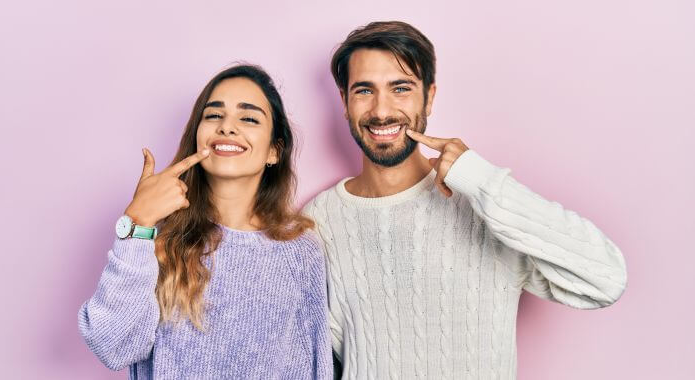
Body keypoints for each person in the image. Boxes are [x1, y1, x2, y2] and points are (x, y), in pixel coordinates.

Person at [302, 21, 628, 379]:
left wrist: (481, 180)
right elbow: (317, 353)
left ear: (429, 96)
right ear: (344, 102)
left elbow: (605, 279)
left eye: (401, 88)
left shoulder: (482, 199)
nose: (381, 111)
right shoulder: (321, 220)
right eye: (364, 90)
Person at [79, 64, 332, 379]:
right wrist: (137, 222)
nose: (227, 127)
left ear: (273, 151)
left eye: (249, 118)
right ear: (197, 136)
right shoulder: (156, 242)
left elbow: (315, 365)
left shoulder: (299, 252)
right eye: (213, 115)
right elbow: (113, 346)